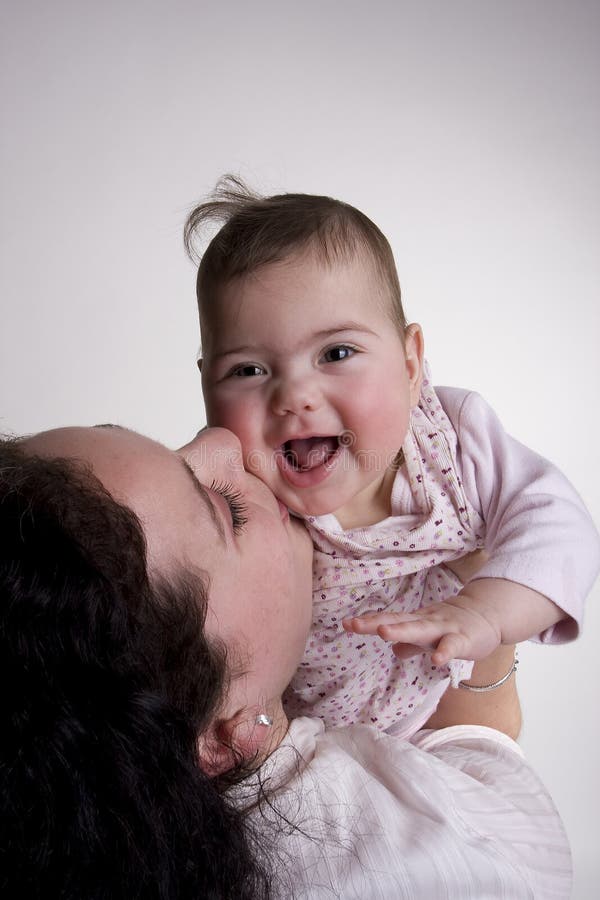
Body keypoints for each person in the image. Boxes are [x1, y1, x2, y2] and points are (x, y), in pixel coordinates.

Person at [1, 425, 572, 898]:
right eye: (227, 509)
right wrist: (482, 603)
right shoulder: (405, 864)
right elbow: (526, 845)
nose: (226, 438)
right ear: (218, 741)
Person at [184, 176, 600, 738]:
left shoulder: (453, 440)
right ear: (206, 387)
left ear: (409, 367)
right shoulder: (235, 502)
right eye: (248, 370)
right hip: (304, 749)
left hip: (441, 722)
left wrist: (486, 612)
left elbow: (557, 524)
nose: (293, 397)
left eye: (336, 353)